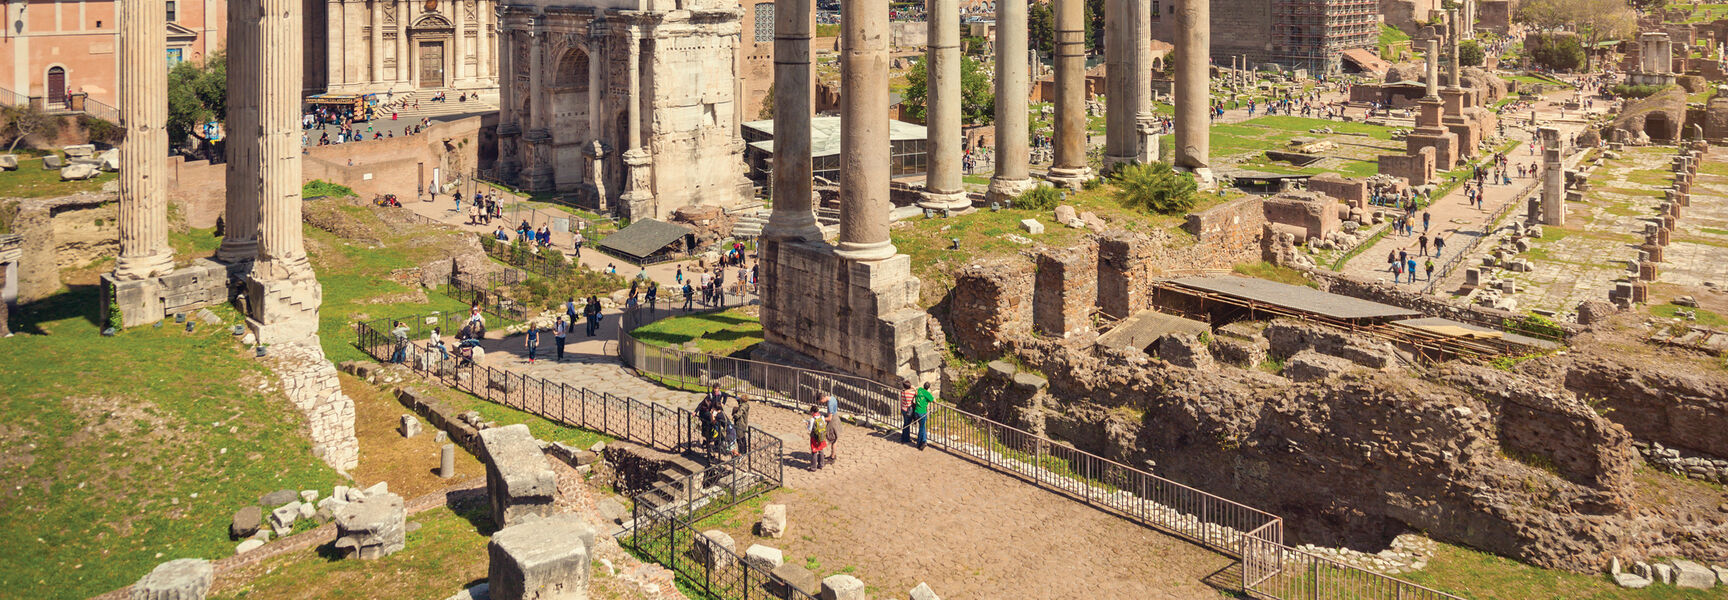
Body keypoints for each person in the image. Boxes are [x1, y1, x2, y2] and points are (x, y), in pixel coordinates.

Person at [908, 383, 933, 450]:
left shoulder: (919, 389)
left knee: (922, 426)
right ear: (928, 388)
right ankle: (919, 443)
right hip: (922, 412)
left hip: (916, 411)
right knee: (922, 428)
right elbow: (933, 400)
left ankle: (924, 441)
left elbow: (916, 393)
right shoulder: (927, 393)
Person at [806, 406, 828, 470]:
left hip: (814, 437)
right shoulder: (822, 417)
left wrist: (807, 425)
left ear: (812, 412)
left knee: (814, 451)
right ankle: (821, 464)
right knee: (821, 449)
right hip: (821, 436)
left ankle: (813, 467)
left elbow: (810, 429)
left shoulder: (812, 419)